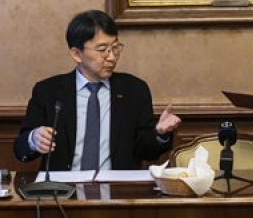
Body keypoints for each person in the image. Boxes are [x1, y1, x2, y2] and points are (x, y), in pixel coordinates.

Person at [14, 10, 181, 171]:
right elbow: (20, 150)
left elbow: (147, 151)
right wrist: (33, 139)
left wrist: (160, 134)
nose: (112, 57)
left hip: (118, 187)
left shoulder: (134, 90)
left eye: (115, 48)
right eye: (102, 50)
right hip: (62, 187)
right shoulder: (48, 91)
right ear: (76, 54)